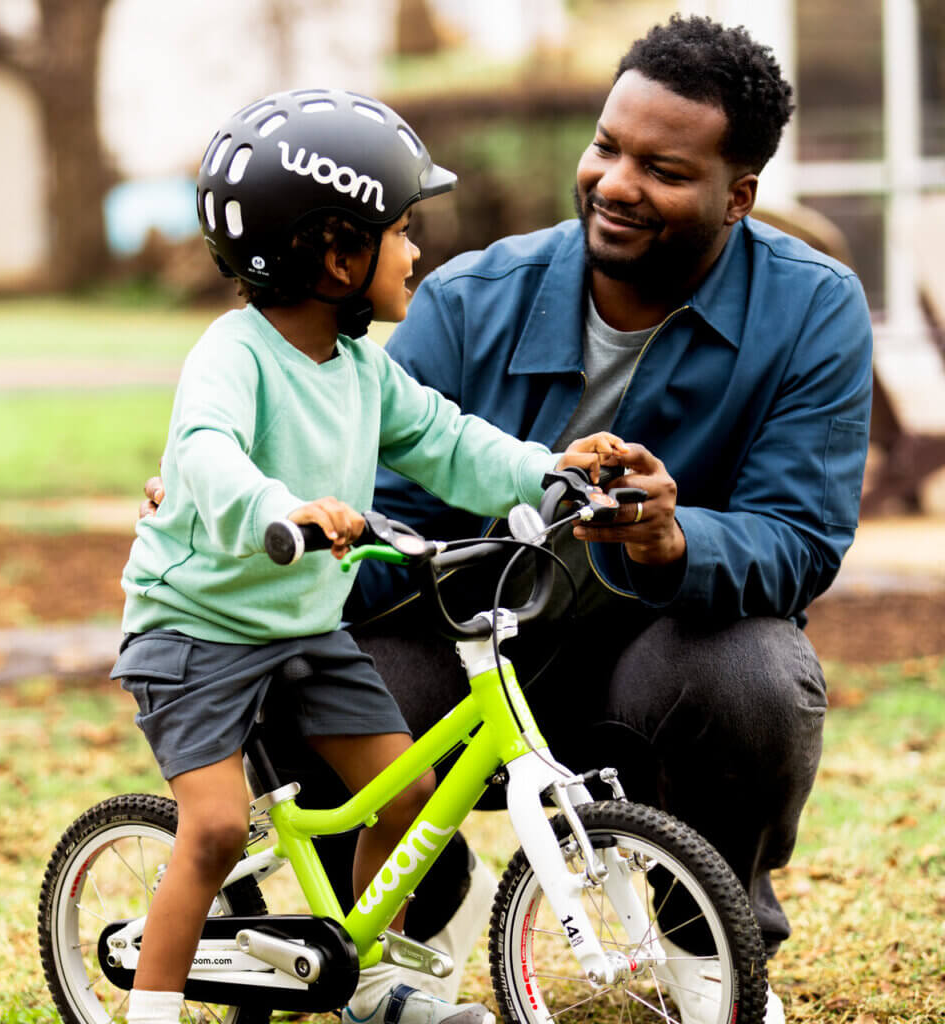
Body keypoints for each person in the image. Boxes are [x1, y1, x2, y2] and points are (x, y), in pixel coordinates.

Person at [142, 17, 873, 1023]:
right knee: (305, 656)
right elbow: (373, 497)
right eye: (606, 146)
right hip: (470, 652)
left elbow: (799, 538)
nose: (615, 182)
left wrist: (676, 538)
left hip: (658, 666)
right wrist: (251, 517)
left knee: (752, 673)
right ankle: (401, 929)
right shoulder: (470, 299)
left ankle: (700, 934)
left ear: (736, 196)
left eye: (661, 168)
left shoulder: (812, 309)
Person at [114, 88, 625, 1024]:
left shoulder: (362, 371)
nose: (417, 249)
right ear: (337, 254)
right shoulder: (232, 356)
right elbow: (206, 456)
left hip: (303, 626)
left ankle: (371, 976)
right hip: (196, 631)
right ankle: (149, 1010)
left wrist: (547, 470)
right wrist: (285, 510)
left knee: (406, 799)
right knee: (218, 830)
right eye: (400, 230)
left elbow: (449, 441)